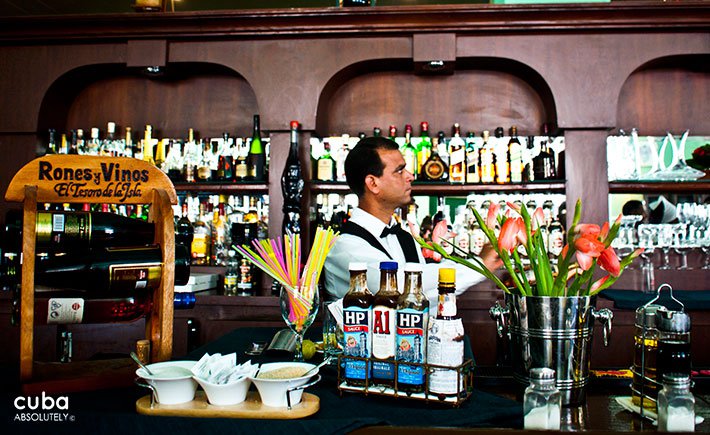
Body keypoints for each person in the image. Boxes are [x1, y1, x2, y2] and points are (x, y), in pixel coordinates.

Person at [323, 136, 501, 306]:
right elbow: (398, 286)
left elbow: (425, 297)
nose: (410, 176)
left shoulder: (404, 238)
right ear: (373, 183)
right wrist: (478, 266)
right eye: (399, 171)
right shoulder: (344, 245)